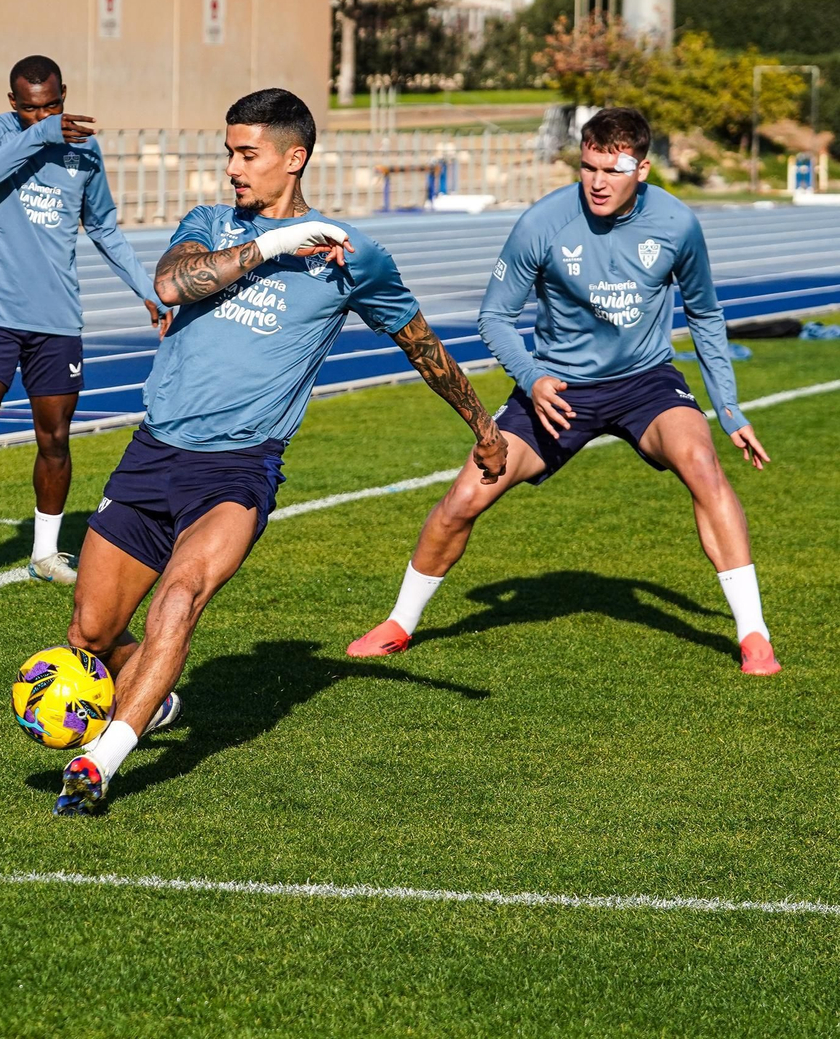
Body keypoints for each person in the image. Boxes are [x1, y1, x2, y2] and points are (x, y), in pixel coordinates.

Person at [53, 89, 507, 814]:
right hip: (152, 453)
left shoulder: (353, 259)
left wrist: (483, 426)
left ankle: (101, 761)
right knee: (93, 631)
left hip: (237, 469)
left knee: (180, 597)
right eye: (229, 152)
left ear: (292, 159)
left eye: (247, 154)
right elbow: (172, 283)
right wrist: (271, 246)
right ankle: (153, 699)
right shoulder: (209, 223)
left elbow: (419, 342)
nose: (233, 167)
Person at [346, 107, 779, 676]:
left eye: (613, 170)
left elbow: (705, 314)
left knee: (701, 463)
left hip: (646, 384)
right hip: (557, 388)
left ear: (643, 169)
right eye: (588, 167)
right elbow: (495, 318)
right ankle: (400, 622)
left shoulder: (678, 225)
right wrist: (533, 378)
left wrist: (728, 408)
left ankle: (754, 636)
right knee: (465, 498)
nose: (598, 182)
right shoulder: (542, 222)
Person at [0, 54, 170, 600]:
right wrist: (42, 135)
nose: (44, 116)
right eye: (31, 109)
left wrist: (146, 289)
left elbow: (103, 226)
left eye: (53, 105)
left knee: (54, 439)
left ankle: (45, 553)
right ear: (14, 103)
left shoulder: (84, 149)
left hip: (58, 321)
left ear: (64, 93)